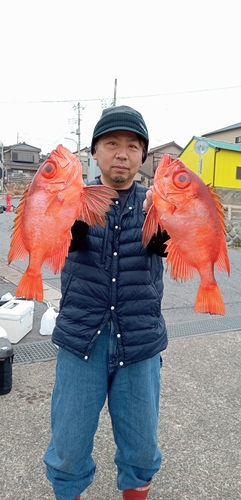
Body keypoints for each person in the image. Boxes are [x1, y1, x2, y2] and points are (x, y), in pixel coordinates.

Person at [44, 105, 169, 500]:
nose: (122, 153)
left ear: (142, 157)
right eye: (111, 143)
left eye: (133, 146)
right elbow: (45, 239)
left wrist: (170, 232)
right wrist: (67, 229)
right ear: (94, 152)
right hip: (82, 341)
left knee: (142, 448)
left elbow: (184, 242)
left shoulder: (159, 204)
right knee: (67, 449)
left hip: (140, 342)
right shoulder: (71, 199)